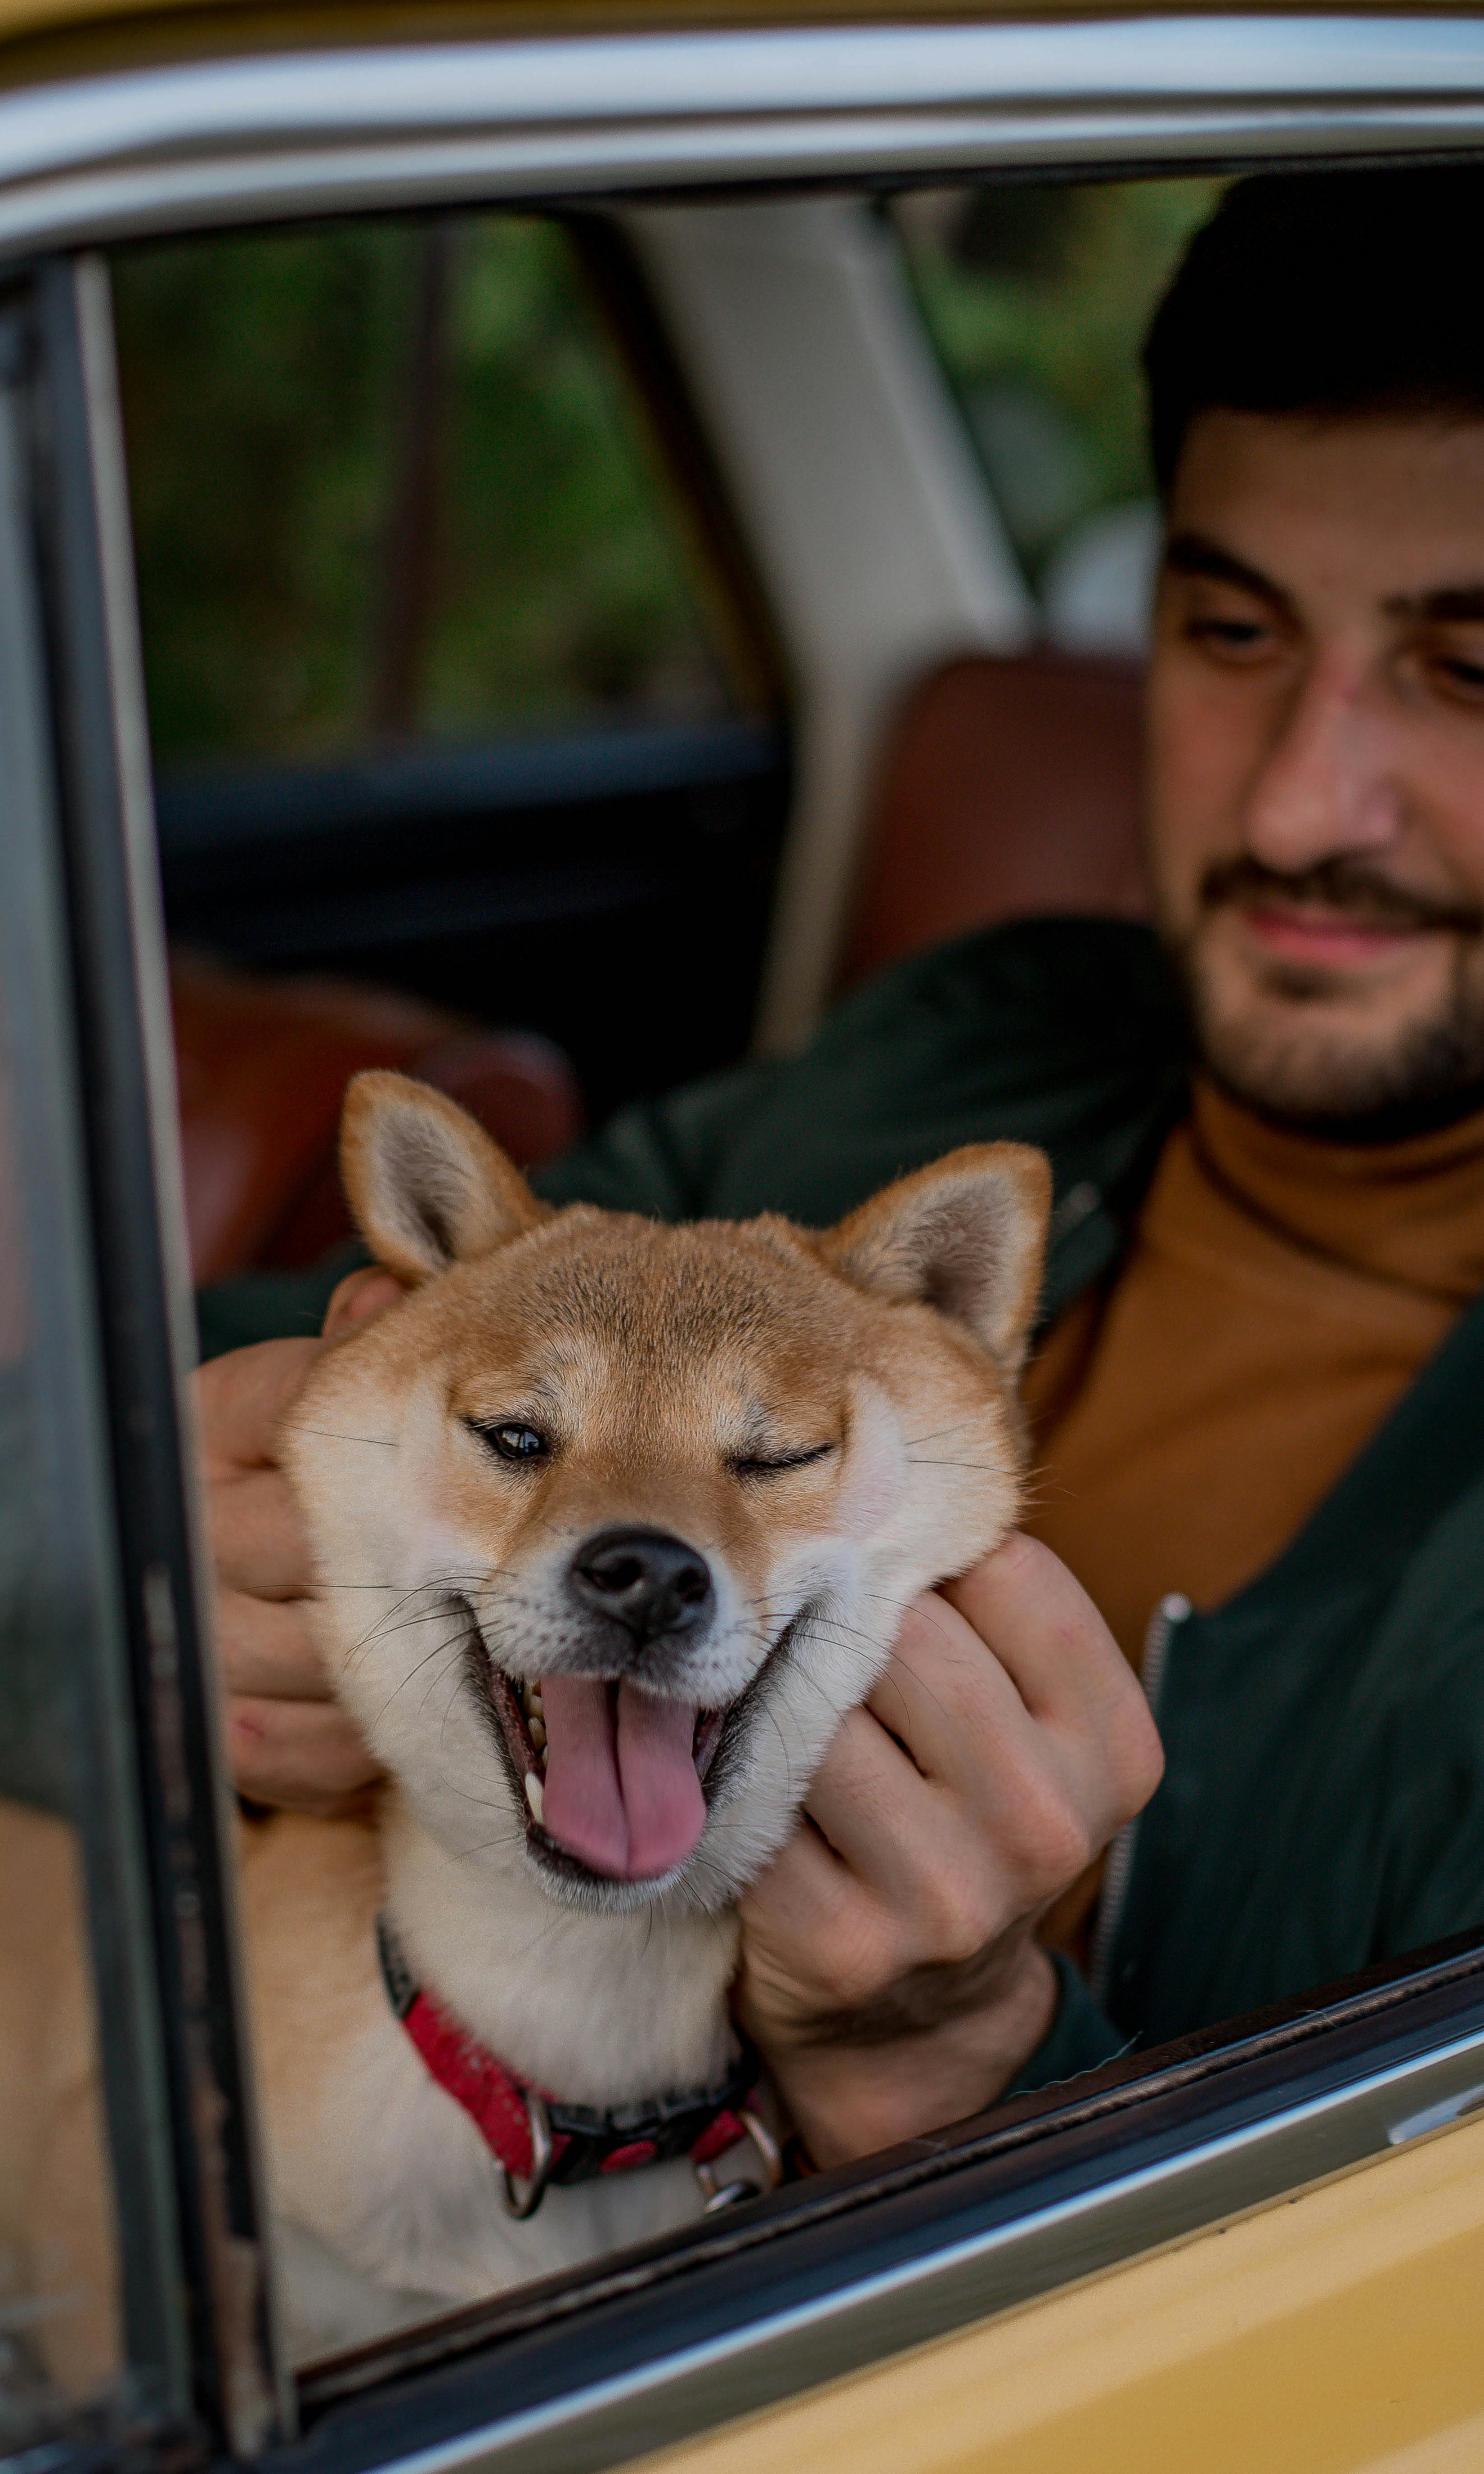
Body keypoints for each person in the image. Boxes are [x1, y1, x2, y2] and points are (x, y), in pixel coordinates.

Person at [186, 166, 1484, 2167]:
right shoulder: (972, 1045)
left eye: (1466, 669)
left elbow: (1384, 2411)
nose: (1307, 798)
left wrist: (963, 2072)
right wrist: (193, 1541)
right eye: (1232, 629)